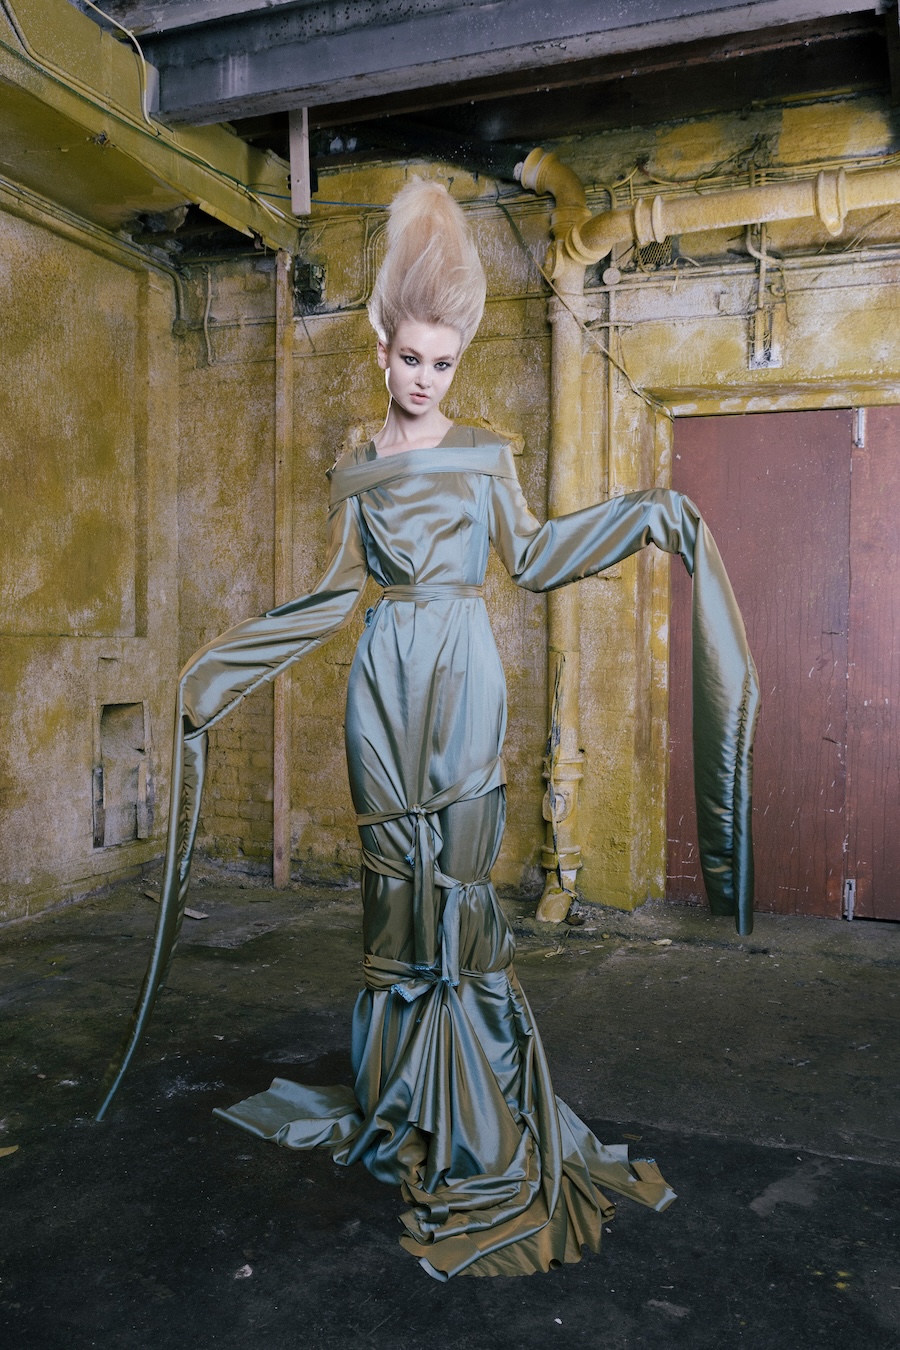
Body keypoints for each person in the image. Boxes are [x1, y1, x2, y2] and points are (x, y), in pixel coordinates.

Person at [98, 179, 759, 1281]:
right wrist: (218, 671)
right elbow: (328, 596)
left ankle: (476, 1106)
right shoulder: (358, 457)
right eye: (411, 358)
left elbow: (533, 558)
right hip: (380, 680)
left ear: (458, 362)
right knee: (393, 892)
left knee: (457, 888)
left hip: (461, 674)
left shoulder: (487, 453)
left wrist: (643, 515)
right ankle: (404, 1094)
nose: (424, 377)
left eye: (443, 363)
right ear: (381, 350)